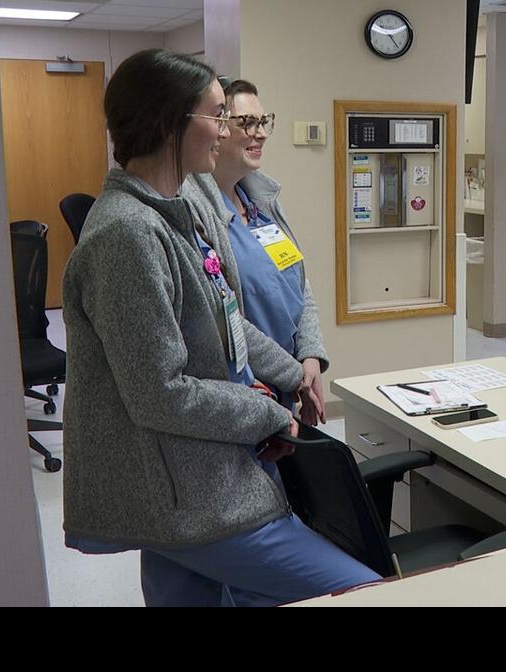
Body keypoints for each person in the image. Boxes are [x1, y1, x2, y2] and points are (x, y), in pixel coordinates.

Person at [61, 48, 379, 606]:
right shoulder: (127, 236)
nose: (226, 129)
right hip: (187, 489)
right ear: (171, 124)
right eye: (216, 115)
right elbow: (160, 394)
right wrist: (265, 413)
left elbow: (227, 320)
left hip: (193, 470)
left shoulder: (174, 215)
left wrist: (293, 375)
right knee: (363, 590)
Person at [191, 78, 327, 425]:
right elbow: (223, 318)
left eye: (264, 121)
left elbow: (301, 284)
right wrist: (292, 375)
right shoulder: (196, 214)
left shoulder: (259, 204)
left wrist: (310, 357)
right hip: (248, 387)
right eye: (247, 122)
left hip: (292, 378)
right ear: (219, 130)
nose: (261, 133)